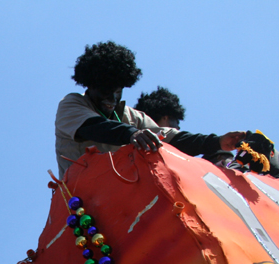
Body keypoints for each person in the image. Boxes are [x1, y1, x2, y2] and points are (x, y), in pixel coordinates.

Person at [55, 41, 245, 177]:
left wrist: (217, 142)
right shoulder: (72, 104)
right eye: (105, 91)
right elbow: (96, 127)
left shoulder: (133, 117)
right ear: (90, 86)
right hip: (84, 205)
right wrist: (132, 134)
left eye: (117, 91)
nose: (112, 99)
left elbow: (170, 138)